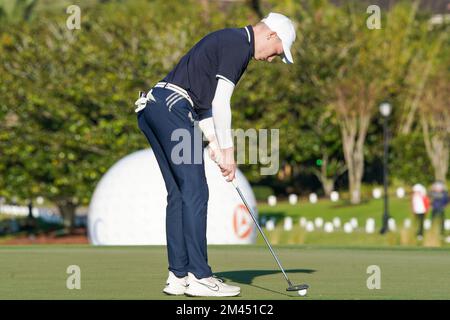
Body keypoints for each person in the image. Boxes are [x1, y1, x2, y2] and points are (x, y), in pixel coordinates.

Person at [135, 13, 296, 297]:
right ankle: (200, 276)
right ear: (272, 36)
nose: (273, 60)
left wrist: (215, 145)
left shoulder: (231, 41)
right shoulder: (239, 45)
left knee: (180, 193)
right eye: (278, 53)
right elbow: (221, 103)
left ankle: (178, 275)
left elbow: (205, 105)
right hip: (173, 108)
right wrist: (230, 152)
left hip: (155, 107)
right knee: (196, 191)